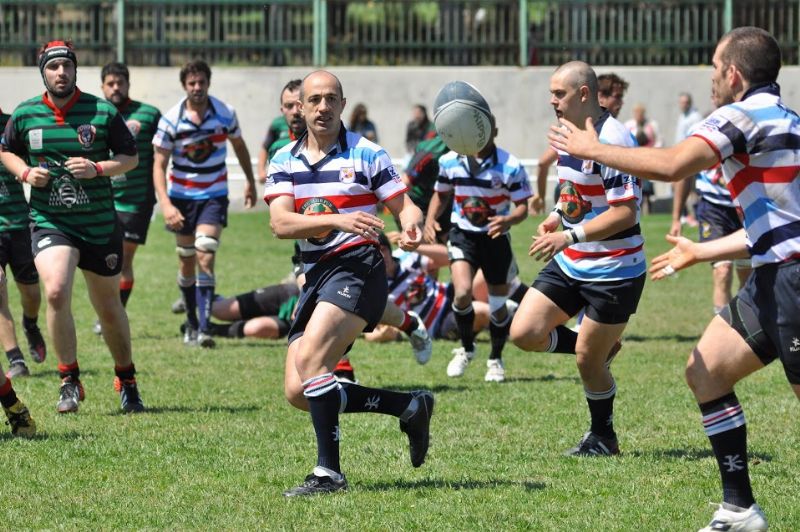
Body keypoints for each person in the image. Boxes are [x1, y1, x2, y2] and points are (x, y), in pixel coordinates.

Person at [548, 27, 792, 531]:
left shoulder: (741, 115)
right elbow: (781, 226)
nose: (711, 80)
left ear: (733, 74)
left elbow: (672, 165)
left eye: (713, 69)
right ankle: (739, 509)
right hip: (773, 278)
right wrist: (702, 250)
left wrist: (592, 148)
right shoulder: (785, 120)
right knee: (707, 371)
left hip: (792, 283)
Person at [265, 70, 434, 496]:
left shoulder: (367, 154)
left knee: (314, 364)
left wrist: (412, 225)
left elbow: (404, 206)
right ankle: (406, 405)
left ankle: (329, 474)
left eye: (331, 99)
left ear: (343, 104)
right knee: (298, 390)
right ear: (300, 108)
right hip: (316, 274)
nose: (323, 107)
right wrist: (340, 218)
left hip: (359, 266)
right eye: (315, 100)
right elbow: (281, 223)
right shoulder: (284, 158)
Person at [0, 40, 145, 414]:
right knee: (56, 290)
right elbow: (6, 150)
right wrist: (27, 172)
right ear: (43, 72)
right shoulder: (27, 113)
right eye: (53, 67)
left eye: (66, 65)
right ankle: (69, 380)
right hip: (52, 222)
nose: (60, 72)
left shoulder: (101, 111)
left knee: (108, 308)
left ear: (75, 69)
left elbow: (130, 157)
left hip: (98, 225)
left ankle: (127, 380)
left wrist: (98, 168)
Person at [511, 61, 643, 457]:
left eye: (559, 94)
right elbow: (575, 195)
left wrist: (570, 234)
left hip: (615, 269)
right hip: (573, 260)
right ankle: (597, 349)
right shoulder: (566, 133)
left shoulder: (614, 138)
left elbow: (626, 212)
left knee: (588, 362)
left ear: (584, 95)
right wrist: (556, 218)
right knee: (524, 333)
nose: (552, 101)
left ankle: (603, 436)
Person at [153, 59, 257, 348]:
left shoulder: (225, 113)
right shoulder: (171, 120)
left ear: (208, 83)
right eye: (192, 83)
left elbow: (239, 146)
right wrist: (166, 204)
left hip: (213, 194)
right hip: (182, 198)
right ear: (184, 86)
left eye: (202, 82)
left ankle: (205, 327)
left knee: (205, 253)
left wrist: (250, 180)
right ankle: (192, 321)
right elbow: (158, 164)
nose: (197, 88)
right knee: (186, 259)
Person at [424, 113, 532, 383]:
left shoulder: (510, 165)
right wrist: (429, 220)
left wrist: (508, 219)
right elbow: (441, 193)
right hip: (463, 236)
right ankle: (467, 349)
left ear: (494, 131)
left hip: (495, 240)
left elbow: (523, 207)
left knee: (497, 306)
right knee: (461, 295)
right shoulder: (450, 160)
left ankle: (495, 358)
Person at [93, 62, 162, 335]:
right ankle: (110, 312)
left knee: (122, 260)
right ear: (102, 87)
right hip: (101, 199)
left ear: (128, 84)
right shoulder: (95, 113)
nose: (115, 88)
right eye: (110, 83)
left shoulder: (148, 114)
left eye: (120, 82)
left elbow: (163, 153)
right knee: (105, 261)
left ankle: (112, 315)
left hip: (136, 201)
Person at [364, 232, 493, 344]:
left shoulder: (407, 258)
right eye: (374, 254)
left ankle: (506, 307)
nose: (380, 256)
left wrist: (415, 247)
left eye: (383, 249)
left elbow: (450, 256)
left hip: (450, 294)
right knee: (479, 310)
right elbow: (370, 332)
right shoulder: (377, 289)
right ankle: (508, 323)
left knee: (485, 272)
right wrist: (383, 335)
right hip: (441, 322)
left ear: (389, 250)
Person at [530, 73, 629, 215]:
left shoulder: (617, 136)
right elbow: (543, 162)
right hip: (572, 200)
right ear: (598, 95)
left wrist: (541, 196)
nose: (621, 103)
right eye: (617, 97)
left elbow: (625, 212)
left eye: (559, 94)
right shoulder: (572, 130)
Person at [0, 106, 46, 378]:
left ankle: (30, 323)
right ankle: (15, 358)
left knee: (31, 295)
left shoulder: (13, 125)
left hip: (19, 222)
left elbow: (36, 159)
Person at [670, 163, 751, 315]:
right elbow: (684, 172)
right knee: (722, 271)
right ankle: (725, 330)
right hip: (713, 209)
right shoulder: (698, 139)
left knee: (747, 276)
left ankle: (743, 328)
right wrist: (676, 218)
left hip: (747, 204)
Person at [255, 79, 304, 183]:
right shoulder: (277, 127)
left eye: (300, 105)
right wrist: (261, 172)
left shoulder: (326, 140)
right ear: (282, 110)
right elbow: (264, 147)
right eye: (289, 106)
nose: (295, 111)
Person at [624, 103, 660, 213]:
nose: (639, 115)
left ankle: (649, 209)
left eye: (641, 113)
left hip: (648, 158)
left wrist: (653, 152)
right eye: (637, 113)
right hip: (634, 159)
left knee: (648, 186)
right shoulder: (628, 125)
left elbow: (659, 140)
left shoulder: (652, 125)